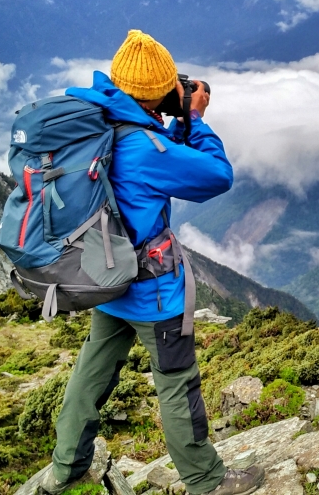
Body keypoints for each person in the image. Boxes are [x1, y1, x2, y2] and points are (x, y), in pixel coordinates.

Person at [39, 30, 265, 495]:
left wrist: (172, 119)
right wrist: (196, 117)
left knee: (91, 374)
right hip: (151, 292)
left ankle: (66, 467)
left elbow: (155, 146)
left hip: (106, 278)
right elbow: (216, 176)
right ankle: (206, 481)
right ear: (158, 91)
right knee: (178, 384)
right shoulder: (144, 147)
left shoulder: (100, 121)